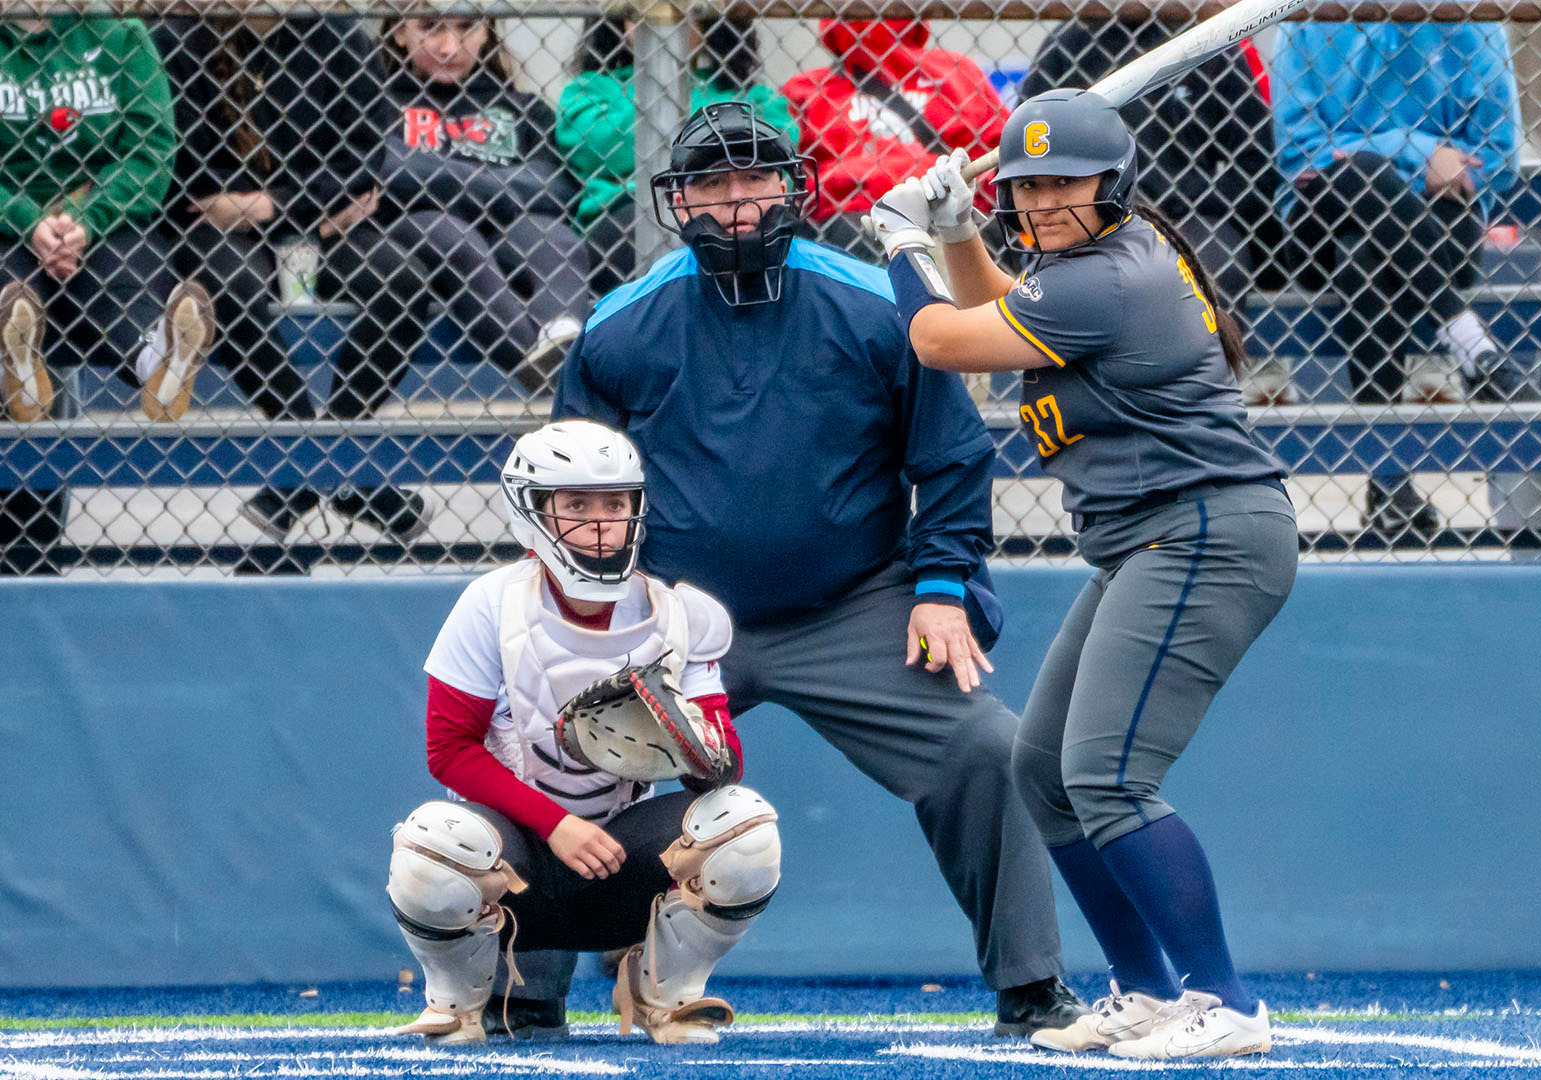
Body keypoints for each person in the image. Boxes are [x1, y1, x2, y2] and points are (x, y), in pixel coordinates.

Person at [551, 102, 1086, 1039]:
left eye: (755, 178)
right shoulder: (621, 327)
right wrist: (592, 622)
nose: (737, 204)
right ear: (678, 201)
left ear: (794, 185)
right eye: (712, 185)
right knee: (553, 747)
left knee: (986, 750)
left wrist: (942, 589)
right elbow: (574, 486)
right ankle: (526, 991)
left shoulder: (877, 303)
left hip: (853, 605)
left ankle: (1031, 985)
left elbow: (952, 458)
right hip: (672, 618)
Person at [867, 89, 1297, 1059]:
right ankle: (1146, 990)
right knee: (1044, 771)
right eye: (1027, 186)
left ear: (1114, 185)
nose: (1046, 201)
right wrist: (959, 229)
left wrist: (902, 243)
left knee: (1106, 774)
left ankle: (1223, 1002)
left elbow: (940, 339)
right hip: (1154, 539)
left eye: (1067, 183)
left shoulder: (1107, 280)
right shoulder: (1081, 270)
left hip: (1203, 535)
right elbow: (989, 307)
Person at [394, 418, 779, 1047]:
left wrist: (690, 745)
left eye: (615, 503)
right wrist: (555, 823)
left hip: (619, 859)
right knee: (436, 840)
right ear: (532, 512)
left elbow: (724, 762)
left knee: (743, 824)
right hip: (515, 860)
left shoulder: (677, 614)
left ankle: (665, 992)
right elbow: (448, 749)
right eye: (576, 504)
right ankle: (460, 1002)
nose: (600, 523)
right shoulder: (489, 603)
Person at [1271, 20, 1538, 536]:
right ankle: (1465, 337)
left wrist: (1375, 155)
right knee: (1363, 174)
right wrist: (1419, 155)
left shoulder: (1472, 22)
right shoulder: (1309, 20)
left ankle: (1389, 482)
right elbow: (1301, 153)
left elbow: (1500, 157)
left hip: (1437, 226)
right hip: (1321, 223)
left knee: (1363, 257)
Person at [151, 14, 394, 543]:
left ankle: (308, 468)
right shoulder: (177, 37)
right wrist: (288, 206)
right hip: (220, 225)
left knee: (403, 280)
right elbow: (181, 167)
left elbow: (365, 151)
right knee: (226, 284)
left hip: (324, 224)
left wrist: (279, 205)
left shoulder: (336, 33)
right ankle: (328, 459)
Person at [0, 14, 199, 576]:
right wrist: (27, 219)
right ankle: (17, 360)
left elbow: (151, 150)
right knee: (12, 288)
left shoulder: (120, 36)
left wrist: (83, 219)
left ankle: (159, 360)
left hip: (102, 221)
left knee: (126, 269)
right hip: (10, 223)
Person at [373, 14, 589, 392]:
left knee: (558, 242)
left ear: (487, 30)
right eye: (430, 28)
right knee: (454, 237)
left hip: (512, 227)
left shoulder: (520, 106)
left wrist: (440, 179)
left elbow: (557, 187)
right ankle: (569, 381)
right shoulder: (379, 101)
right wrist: (495, 185)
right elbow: (388, 170)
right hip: (420, 225)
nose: (449, 47)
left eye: (466, 27)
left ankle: (562, 347)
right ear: (399, 32)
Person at [1020, 20, 1282, 306]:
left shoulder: (1206, 39)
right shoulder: (1067, 45)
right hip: (1091, 215)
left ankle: (1212, 351)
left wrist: (1187, 200)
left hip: (1192, 217)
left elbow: (1256, 162)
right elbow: (1023, 155)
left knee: (1215, 269)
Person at [559, 11, 797, 294]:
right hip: (622, 216)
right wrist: (721, 136)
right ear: (619, 18)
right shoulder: (592, 89)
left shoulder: (749, 92)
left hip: (738, 215)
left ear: (711, 21)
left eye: (684, 15)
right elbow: (601, 146)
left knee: (780, 231)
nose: (664, 25)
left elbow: (781, 149)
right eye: (643, 14)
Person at [779, 20, 1005, 263]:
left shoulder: (956, 71)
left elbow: (1003, 155)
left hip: (942, 215)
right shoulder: (808, 89)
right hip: (850, 228)